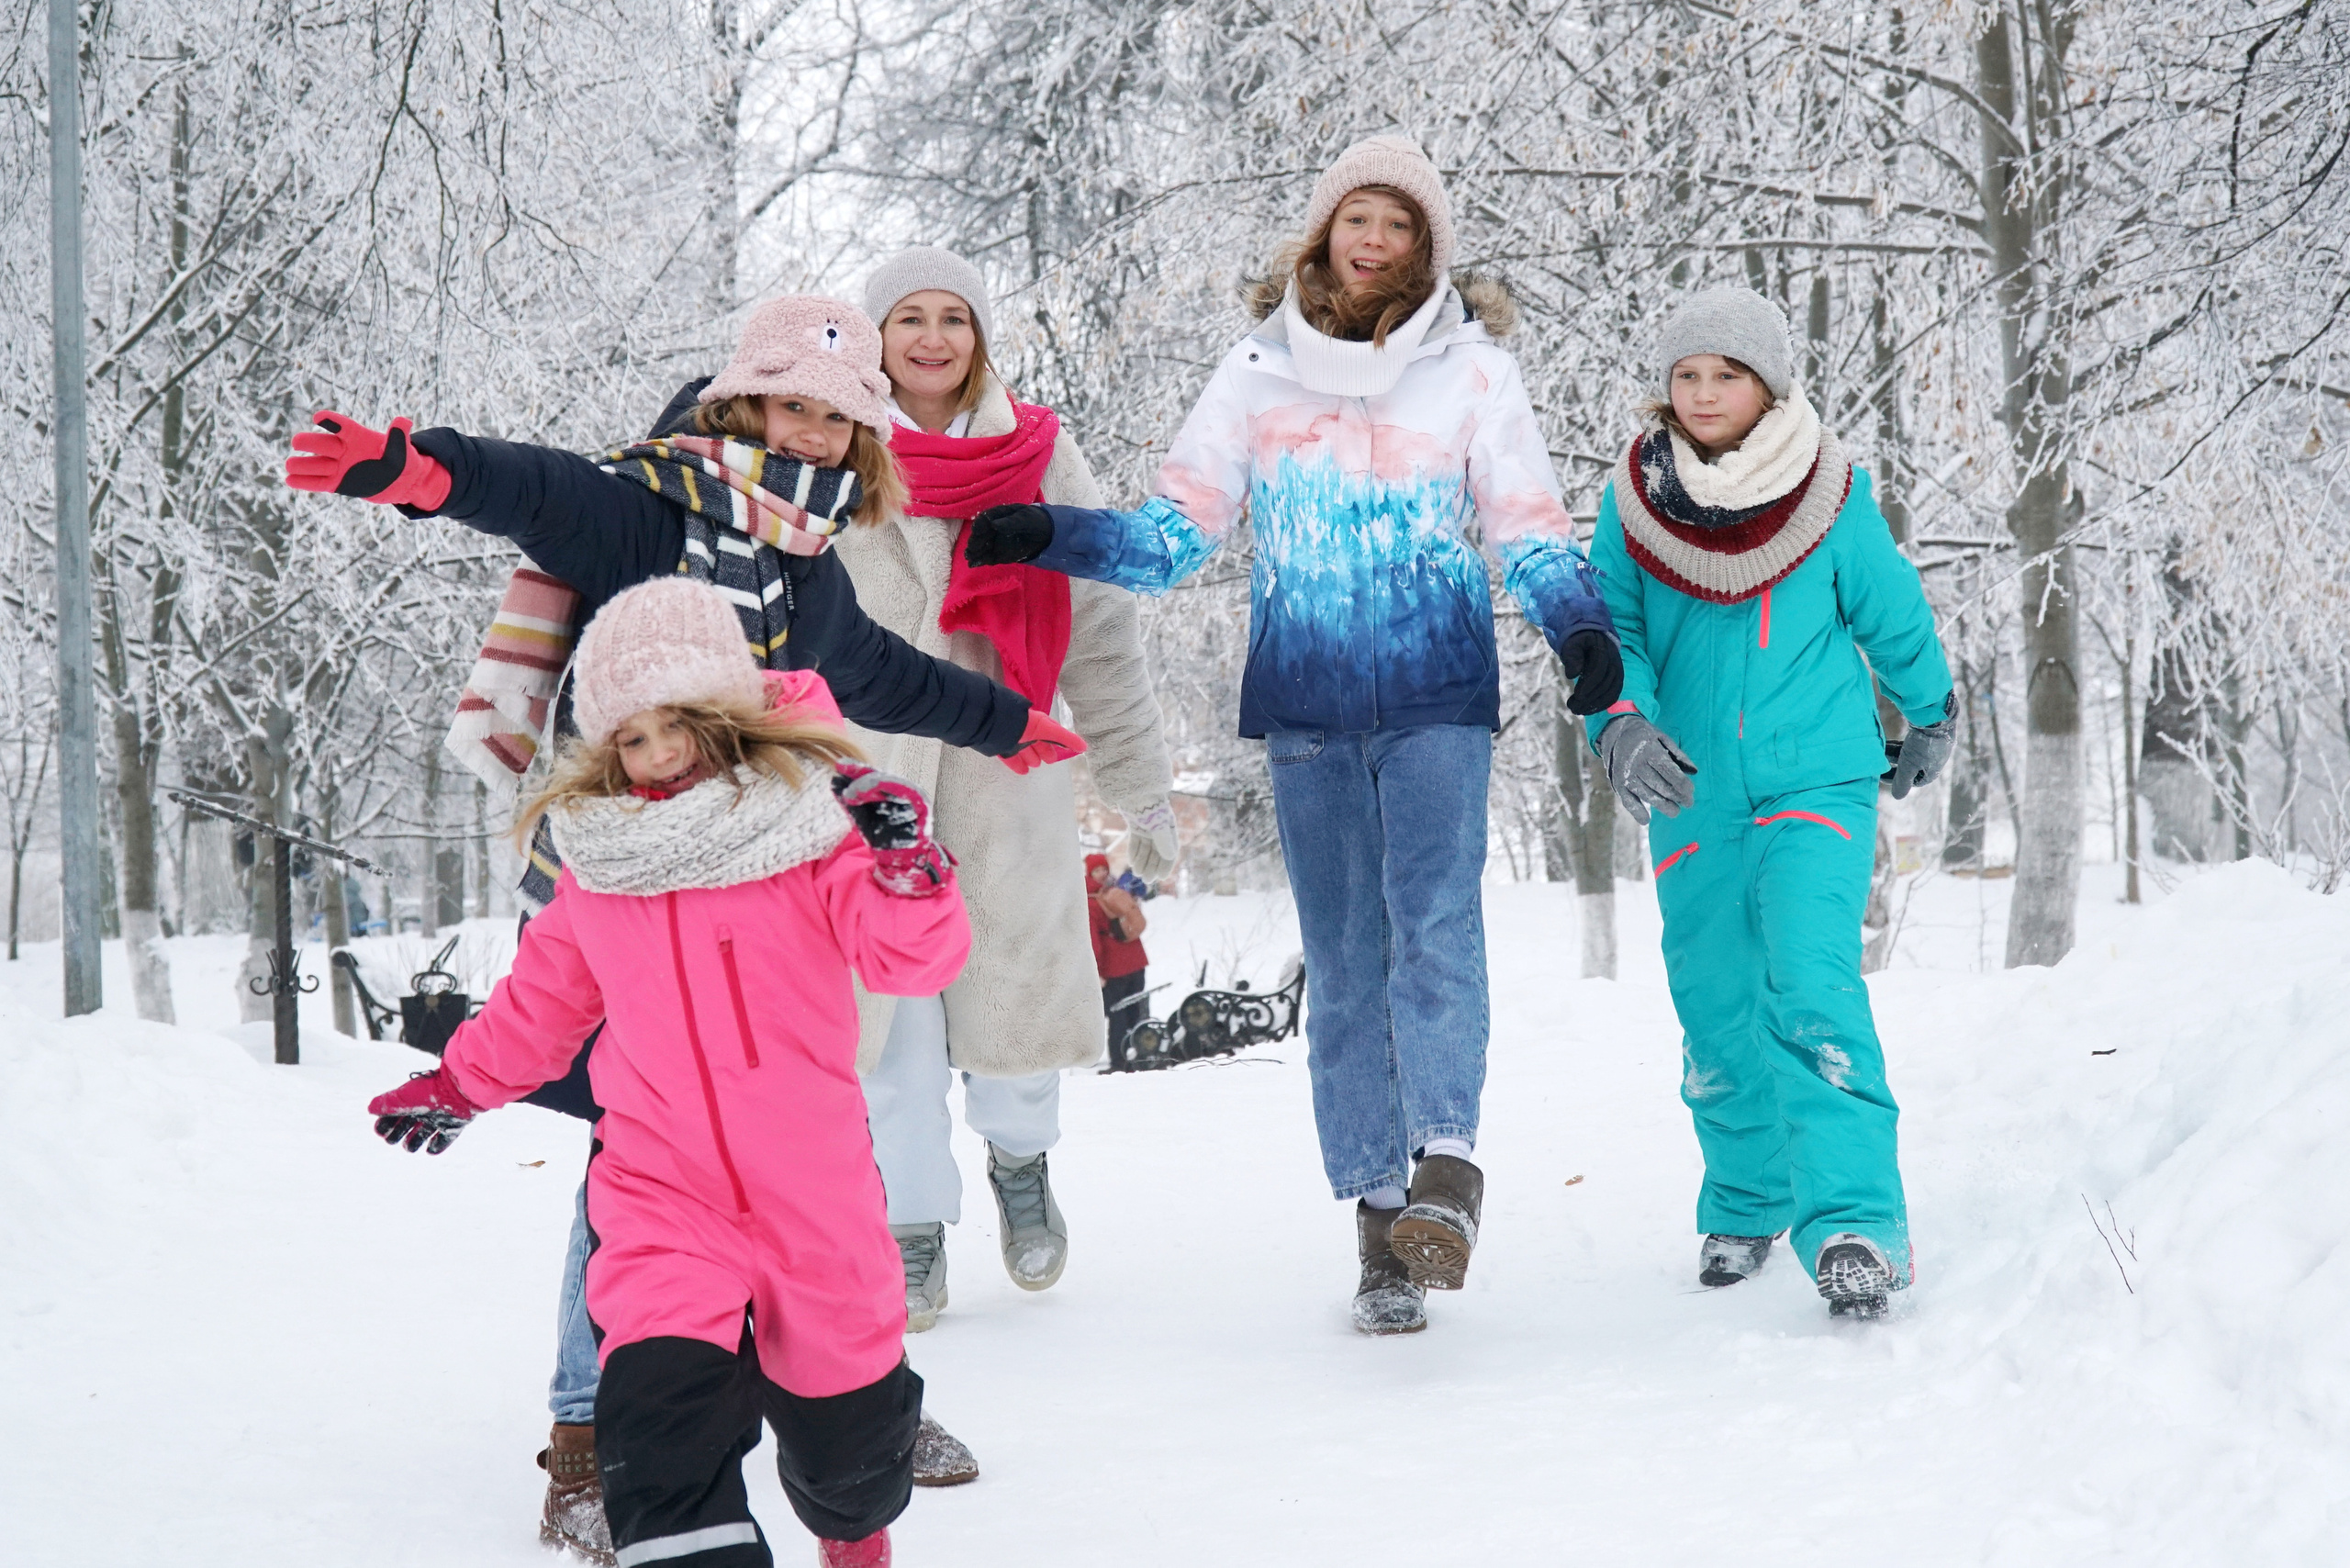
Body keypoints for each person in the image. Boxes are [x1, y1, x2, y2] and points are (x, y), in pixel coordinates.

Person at [285, 296, 1046, 1555]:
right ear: (739, 401)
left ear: (855, 440)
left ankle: (828, 1402)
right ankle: (596, 1432)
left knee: (771, 1157)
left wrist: (1008, 724)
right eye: (782, 401)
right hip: (617, 847)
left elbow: (889, 683)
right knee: (633, 1138)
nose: (800, 429)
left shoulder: (806, 568)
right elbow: (533, 492)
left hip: (775, 854)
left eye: (828, 414)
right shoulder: (652, 504)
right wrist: (412, 468)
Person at [960, 137, 1623, 1336]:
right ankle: (1380, 1224)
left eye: (1399, 227)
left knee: (1434, 924)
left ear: (1427, 248)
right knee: (1346, 955)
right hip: (1309, 702)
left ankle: (1448, 1172)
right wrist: (1046, 533)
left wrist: (1577, 626)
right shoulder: (1259, 372)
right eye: (1356, 220)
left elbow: (1528, 522)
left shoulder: (1474, 372)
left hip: (1434, 693)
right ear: (1322, 233)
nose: (1374, 243)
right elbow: (1171, 536)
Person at [364, 577, 964, 1568]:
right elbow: (542, 1002)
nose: (655, 758)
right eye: (630, 740)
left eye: (675, 727)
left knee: (847, 1454)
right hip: (659, 1192)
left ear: (723, 716)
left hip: (811, 1190)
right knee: (658, 1428)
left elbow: (913, 962)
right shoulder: (601, 867)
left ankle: (856, 1538)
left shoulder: (809, 836)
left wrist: (907, 871)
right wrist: (461, 1083)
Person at [1584, 285, 1955, 1319]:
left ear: (1768, 385)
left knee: (1809, 977)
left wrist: (1928, 710)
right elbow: (1609, 627)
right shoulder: (1633, 499)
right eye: (1686, 375)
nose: (1703, 394)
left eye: (1726, 375)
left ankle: (1854, 1224)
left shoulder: (1830, 493)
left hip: (1817, 774)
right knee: (1714, 997)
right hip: (1689, 786)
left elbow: (1888, 603)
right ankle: (1746, 1198)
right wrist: (1620, 722)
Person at [841, 248, 1176, 1333]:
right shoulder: (831, 447)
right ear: (875, 336)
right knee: (888, 1034)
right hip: (868, 781)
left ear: (981, 340)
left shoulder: (1038, 455)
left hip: (1008, 770)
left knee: (1019, 1000)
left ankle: (1021, 1163)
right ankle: (912, 1225)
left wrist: (1141, 787)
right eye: (909, 319)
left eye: (955, 319)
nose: (933, 338)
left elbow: (1103, 624)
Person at [1085, 852, 1150, 1067]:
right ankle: (1142, 1053)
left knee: (1117, 1015)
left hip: (1115, 969)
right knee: (1137, 1011)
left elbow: (1095, 944)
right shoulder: (1118, 892)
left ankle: (1120, 1062)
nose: (1102, 874)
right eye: (1097, 871)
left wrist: (1098, 972)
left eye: (1103, 869)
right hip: (1137, 961)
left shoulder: (1090, 903)